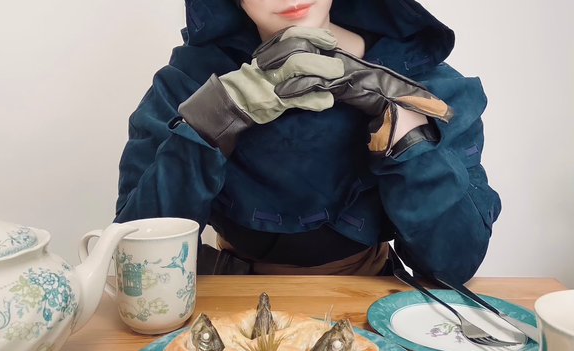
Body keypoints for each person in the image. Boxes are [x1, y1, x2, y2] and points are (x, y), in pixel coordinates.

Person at [113, 0, 501, 287]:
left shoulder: (423, 83)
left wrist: (404, 127)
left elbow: (454, 264)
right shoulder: (187, 82)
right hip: (226, 304)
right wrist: (213, 119)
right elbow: (136, 253)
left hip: (371, 306)